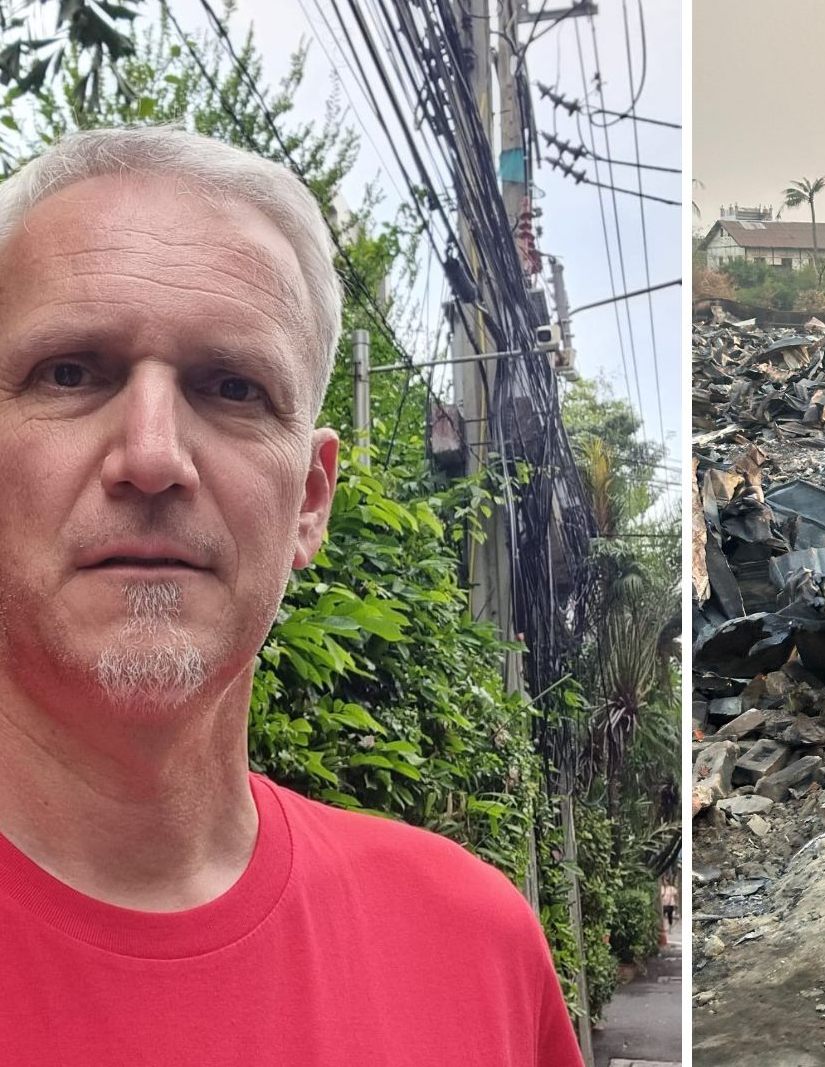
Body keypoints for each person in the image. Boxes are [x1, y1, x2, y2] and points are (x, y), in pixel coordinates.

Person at [0, 126, 582, 1064]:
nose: (152, 456)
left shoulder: (478, 948)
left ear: (310, 500)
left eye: (232, 388)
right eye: (70, 373)